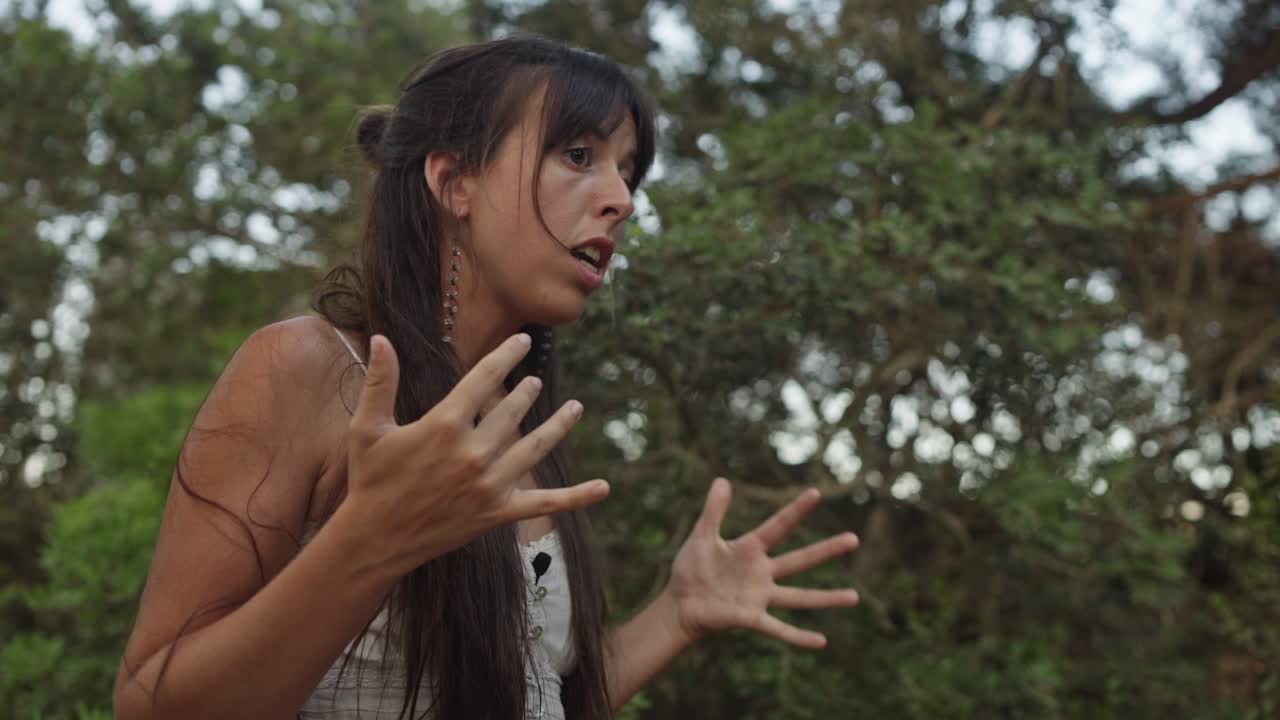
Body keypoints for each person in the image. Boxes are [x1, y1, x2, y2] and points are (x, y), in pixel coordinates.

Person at [113, 34, 861, 720]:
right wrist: (370, 541)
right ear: (454, 182)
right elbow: (151, 705)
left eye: (627, 172)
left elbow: (527, 696)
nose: (622, 200)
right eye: (578, 155)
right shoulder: (308, 370)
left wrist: (678, 613)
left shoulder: (520, 422)